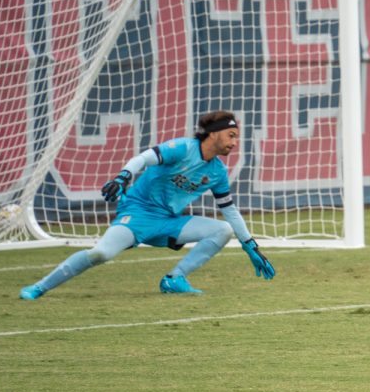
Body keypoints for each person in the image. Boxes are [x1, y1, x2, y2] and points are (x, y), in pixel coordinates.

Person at [19, 111, 275, 299]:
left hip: (168, 222)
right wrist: (123, 177)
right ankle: (39, 287)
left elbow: (228, 209)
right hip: (138, 213)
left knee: (222, 230)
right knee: (101, 254)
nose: (233, 142)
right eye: (230, 135)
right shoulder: (183, 148)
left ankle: (175, 279)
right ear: (214, 133)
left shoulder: (217, 171)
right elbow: (143, 158)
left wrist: (249, 244)